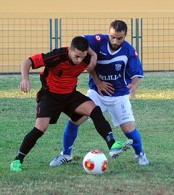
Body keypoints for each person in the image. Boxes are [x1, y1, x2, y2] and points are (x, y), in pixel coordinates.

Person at [10, 36, 133, 172]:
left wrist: (93, 61)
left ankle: (112, 144)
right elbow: (27, 62)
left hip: (70, 95)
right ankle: (17, 160)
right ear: (70, 50)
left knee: (94, 110)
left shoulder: (86, 57)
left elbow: (90, 65)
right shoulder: (57, 56)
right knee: (40, 128)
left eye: (83, 57)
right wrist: (25, 79)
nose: (79, 60)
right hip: (50, 95)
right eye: (76, 56)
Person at [49, 21, 149, 167]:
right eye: (113, 37)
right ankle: (66, 154)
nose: (115, 41)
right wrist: (94, 57)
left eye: (119, 38)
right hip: (96, 94)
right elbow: (80, 40)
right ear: (108, 33)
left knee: (129, 130)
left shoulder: (129, 51)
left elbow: (136, 74)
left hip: (119, 95)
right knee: (74, 120)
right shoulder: (98, 41)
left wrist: (133, 85)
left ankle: (140, 155)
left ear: (125, 36)